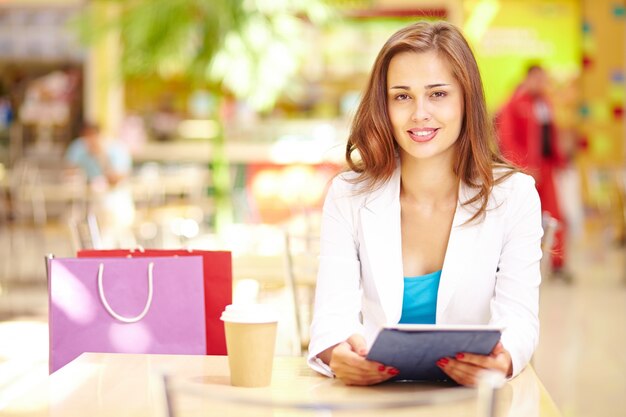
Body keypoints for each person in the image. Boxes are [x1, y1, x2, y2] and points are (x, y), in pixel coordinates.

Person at [307, 21, 542, 387]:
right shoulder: (348, 194)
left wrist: (503, 359)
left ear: (467, 98)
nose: (419, 114)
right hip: (372, 402)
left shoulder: (514, 196)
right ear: (383, 106)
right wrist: (338, 353)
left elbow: (520, 317)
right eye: (402, 96)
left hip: (469, 401)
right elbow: (331, 315)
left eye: (437, 94)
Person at [496, 65, 568, 278]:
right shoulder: (514, 103)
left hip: (546, 169)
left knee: (554, 215)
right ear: (528, 78)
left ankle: (557, 263)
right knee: (522, 216)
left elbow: (550, 135)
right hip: (528, 170)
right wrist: (524, 168)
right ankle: (518, 264)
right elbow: (508, 139)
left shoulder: (545, 103)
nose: (541, 83)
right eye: (538, 79)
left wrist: (558, 160)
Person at [65, 122, 135, 247]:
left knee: (111, 221)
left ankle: (105, 250)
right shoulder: (79, 147)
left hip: (116, 198)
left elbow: (119, 177)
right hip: (90, 199)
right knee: (76, 219)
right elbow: (70, 171)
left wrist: (101, 156)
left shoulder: (116, 149)